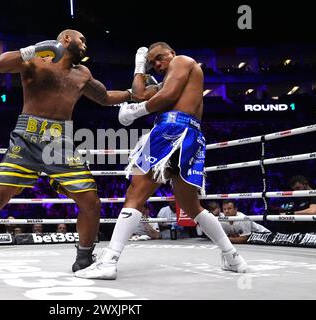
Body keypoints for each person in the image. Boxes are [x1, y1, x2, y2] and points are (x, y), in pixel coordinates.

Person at [0, 29, 132, 282]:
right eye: (82, 38)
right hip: (27, 136)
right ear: (66, 39)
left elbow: (104, 97)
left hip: (61, 142)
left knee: (91, 202)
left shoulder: (83, 73)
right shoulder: (36, 60)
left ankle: (83, 259)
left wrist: (135, 96)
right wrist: (35, 49)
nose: (85, 44)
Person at [75, 42, 250, 280]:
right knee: (191, 206)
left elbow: (166, 96)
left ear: (172, 53)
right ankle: (233, 258)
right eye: (152, 62)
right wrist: (139, 66)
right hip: (191, 137)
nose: (157, 64)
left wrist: (137, 111)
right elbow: (138, 92)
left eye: (159, 58)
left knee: (135, 195)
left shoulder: (183, 61)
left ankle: (108, 262)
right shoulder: (164, 81)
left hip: (171, 131)